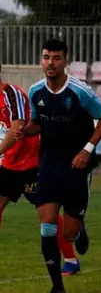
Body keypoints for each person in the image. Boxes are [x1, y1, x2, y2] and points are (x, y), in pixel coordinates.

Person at [19, 38, 101, 293]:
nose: (50, 63)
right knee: (47, 224)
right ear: (41, 60)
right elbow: (37, 124)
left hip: (76, 167)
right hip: (48, 165)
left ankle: (79, 228)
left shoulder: (79, 92)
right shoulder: (36, 91)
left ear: (66, 61)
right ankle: (56, 286)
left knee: (68, 234)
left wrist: (87, 150)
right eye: (46, 57)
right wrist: (25, 131)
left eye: (56, 58)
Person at [0, 71, 82, 276]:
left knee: (47, 217)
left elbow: (16, 130)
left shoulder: (11, 94)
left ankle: (71, 258)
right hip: (8, 165)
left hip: (31, 165)